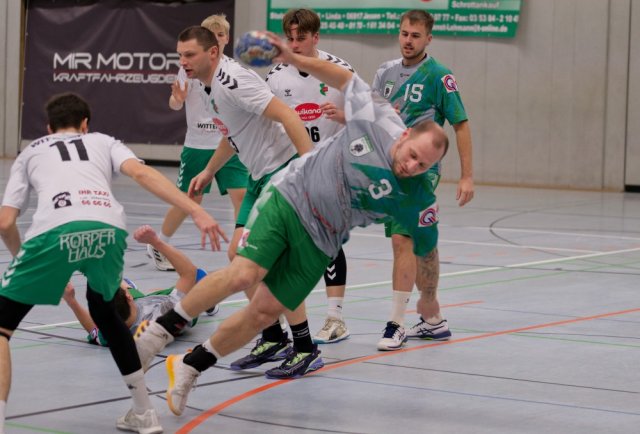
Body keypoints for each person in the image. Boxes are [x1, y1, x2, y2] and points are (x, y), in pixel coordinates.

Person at [133, 35, 449, 418]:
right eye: (413, 155)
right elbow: (344, 78)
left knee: (265, 311)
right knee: (243, 272)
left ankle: (188, 365)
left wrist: (428, 297)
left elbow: (427, 251)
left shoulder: (418, 194)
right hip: (291, 196)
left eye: (422, 165)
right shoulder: (381, 119)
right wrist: (292, 57)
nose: (412, 166)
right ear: (405, 135)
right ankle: (157, 333)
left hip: (322, 239)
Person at [0, 93, 226, 433]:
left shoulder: (32, 151)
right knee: (106, 314)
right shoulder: (104, 141)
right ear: (85, 124)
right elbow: (143, 174)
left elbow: (5, 223)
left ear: (48, 128)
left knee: (2, 328)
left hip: (55, 230)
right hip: (109, 229)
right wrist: (195, 209)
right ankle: (144, 413)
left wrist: (26, 264)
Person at [182, 25, 322, 379]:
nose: (183, 62)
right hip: (258, 177)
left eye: (190, 55)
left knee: (268, 266)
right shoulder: (207, 87)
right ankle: (273, 337)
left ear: (212, 52)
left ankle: (305, 347)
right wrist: (210, 170)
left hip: (282, 172)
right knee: (237, 255)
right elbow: (232, 135)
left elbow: (288, 115)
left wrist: (308, 167)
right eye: (180, 55)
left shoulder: (234, 81)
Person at [266, 8, 353, 345]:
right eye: (290, 37)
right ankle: (278, 319)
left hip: (331, 168)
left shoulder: (341, 71)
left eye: (301, 37)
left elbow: (369, 116)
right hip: (290, 170)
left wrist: (343, 116)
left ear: (316, 37)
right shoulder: (276, 76)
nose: (295, 44)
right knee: (283, 243)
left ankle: (335, 317)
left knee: (329, 241)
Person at [149, 14, 248, 272]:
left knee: (242, 195)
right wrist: (178, 99)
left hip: (228, 144)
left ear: (226, 39)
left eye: (220, 34)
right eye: (210, 34)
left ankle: (242, 249)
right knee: (190, 201)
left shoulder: (233, 70)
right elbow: (174, 104)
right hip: (198, 146)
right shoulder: (188, 70)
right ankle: (159, 244)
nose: (216, 38)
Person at [64, 225, 210, 347]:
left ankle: (126, 284)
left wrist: (72, 301)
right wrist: (156, 242)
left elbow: (93, 330)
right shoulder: (166, 312)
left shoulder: (113, 334)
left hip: (142, 304)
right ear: (128, 297)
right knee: (199, 279)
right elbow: (189, 273)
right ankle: (209, 304)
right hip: (174, 308)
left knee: (120, 285)